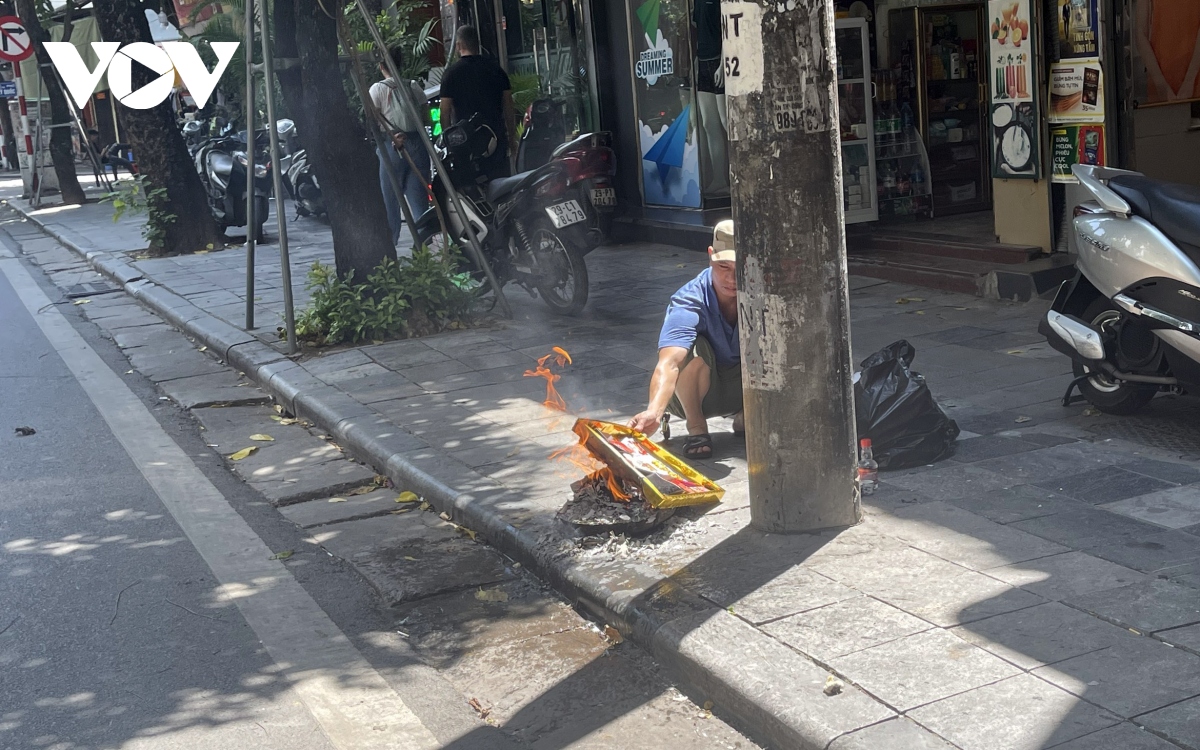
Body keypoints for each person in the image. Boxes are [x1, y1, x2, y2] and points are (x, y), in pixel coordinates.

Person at [630, 220, 743, 459]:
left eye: (740, 267)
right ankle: (697, 428)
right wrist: (654, 411)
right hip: (696, 394)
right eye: (723, 266)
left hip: (742, 389)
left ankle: (750, 416)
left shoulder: (764, 293)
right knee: (692, 349)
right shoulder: (689, 299)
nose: (732, 278)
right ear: (710, 255)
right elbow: (669, 363)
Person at [369, 47, 431, 245]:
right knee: (419, 202)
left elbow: (372, 122)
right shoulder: (413, 86)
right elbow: (427, 118)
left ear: (381, 66)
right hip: (417, 145)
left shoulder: (377, 89)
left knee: (391, 202)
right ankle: (422, 251)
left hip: (392, 145)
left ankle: (391, 248)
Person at [439, 25, 517, 180]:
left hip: (465, 142)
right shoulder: (496, 70)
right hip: (495, 138)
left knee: (470, 189)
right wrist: (512, 137)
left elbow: (445, 112)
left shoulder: (451, 74)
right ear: (477, 44)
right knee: (500, 186)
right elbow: (508, 107)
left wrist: (450, 140)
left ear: (459, 45)